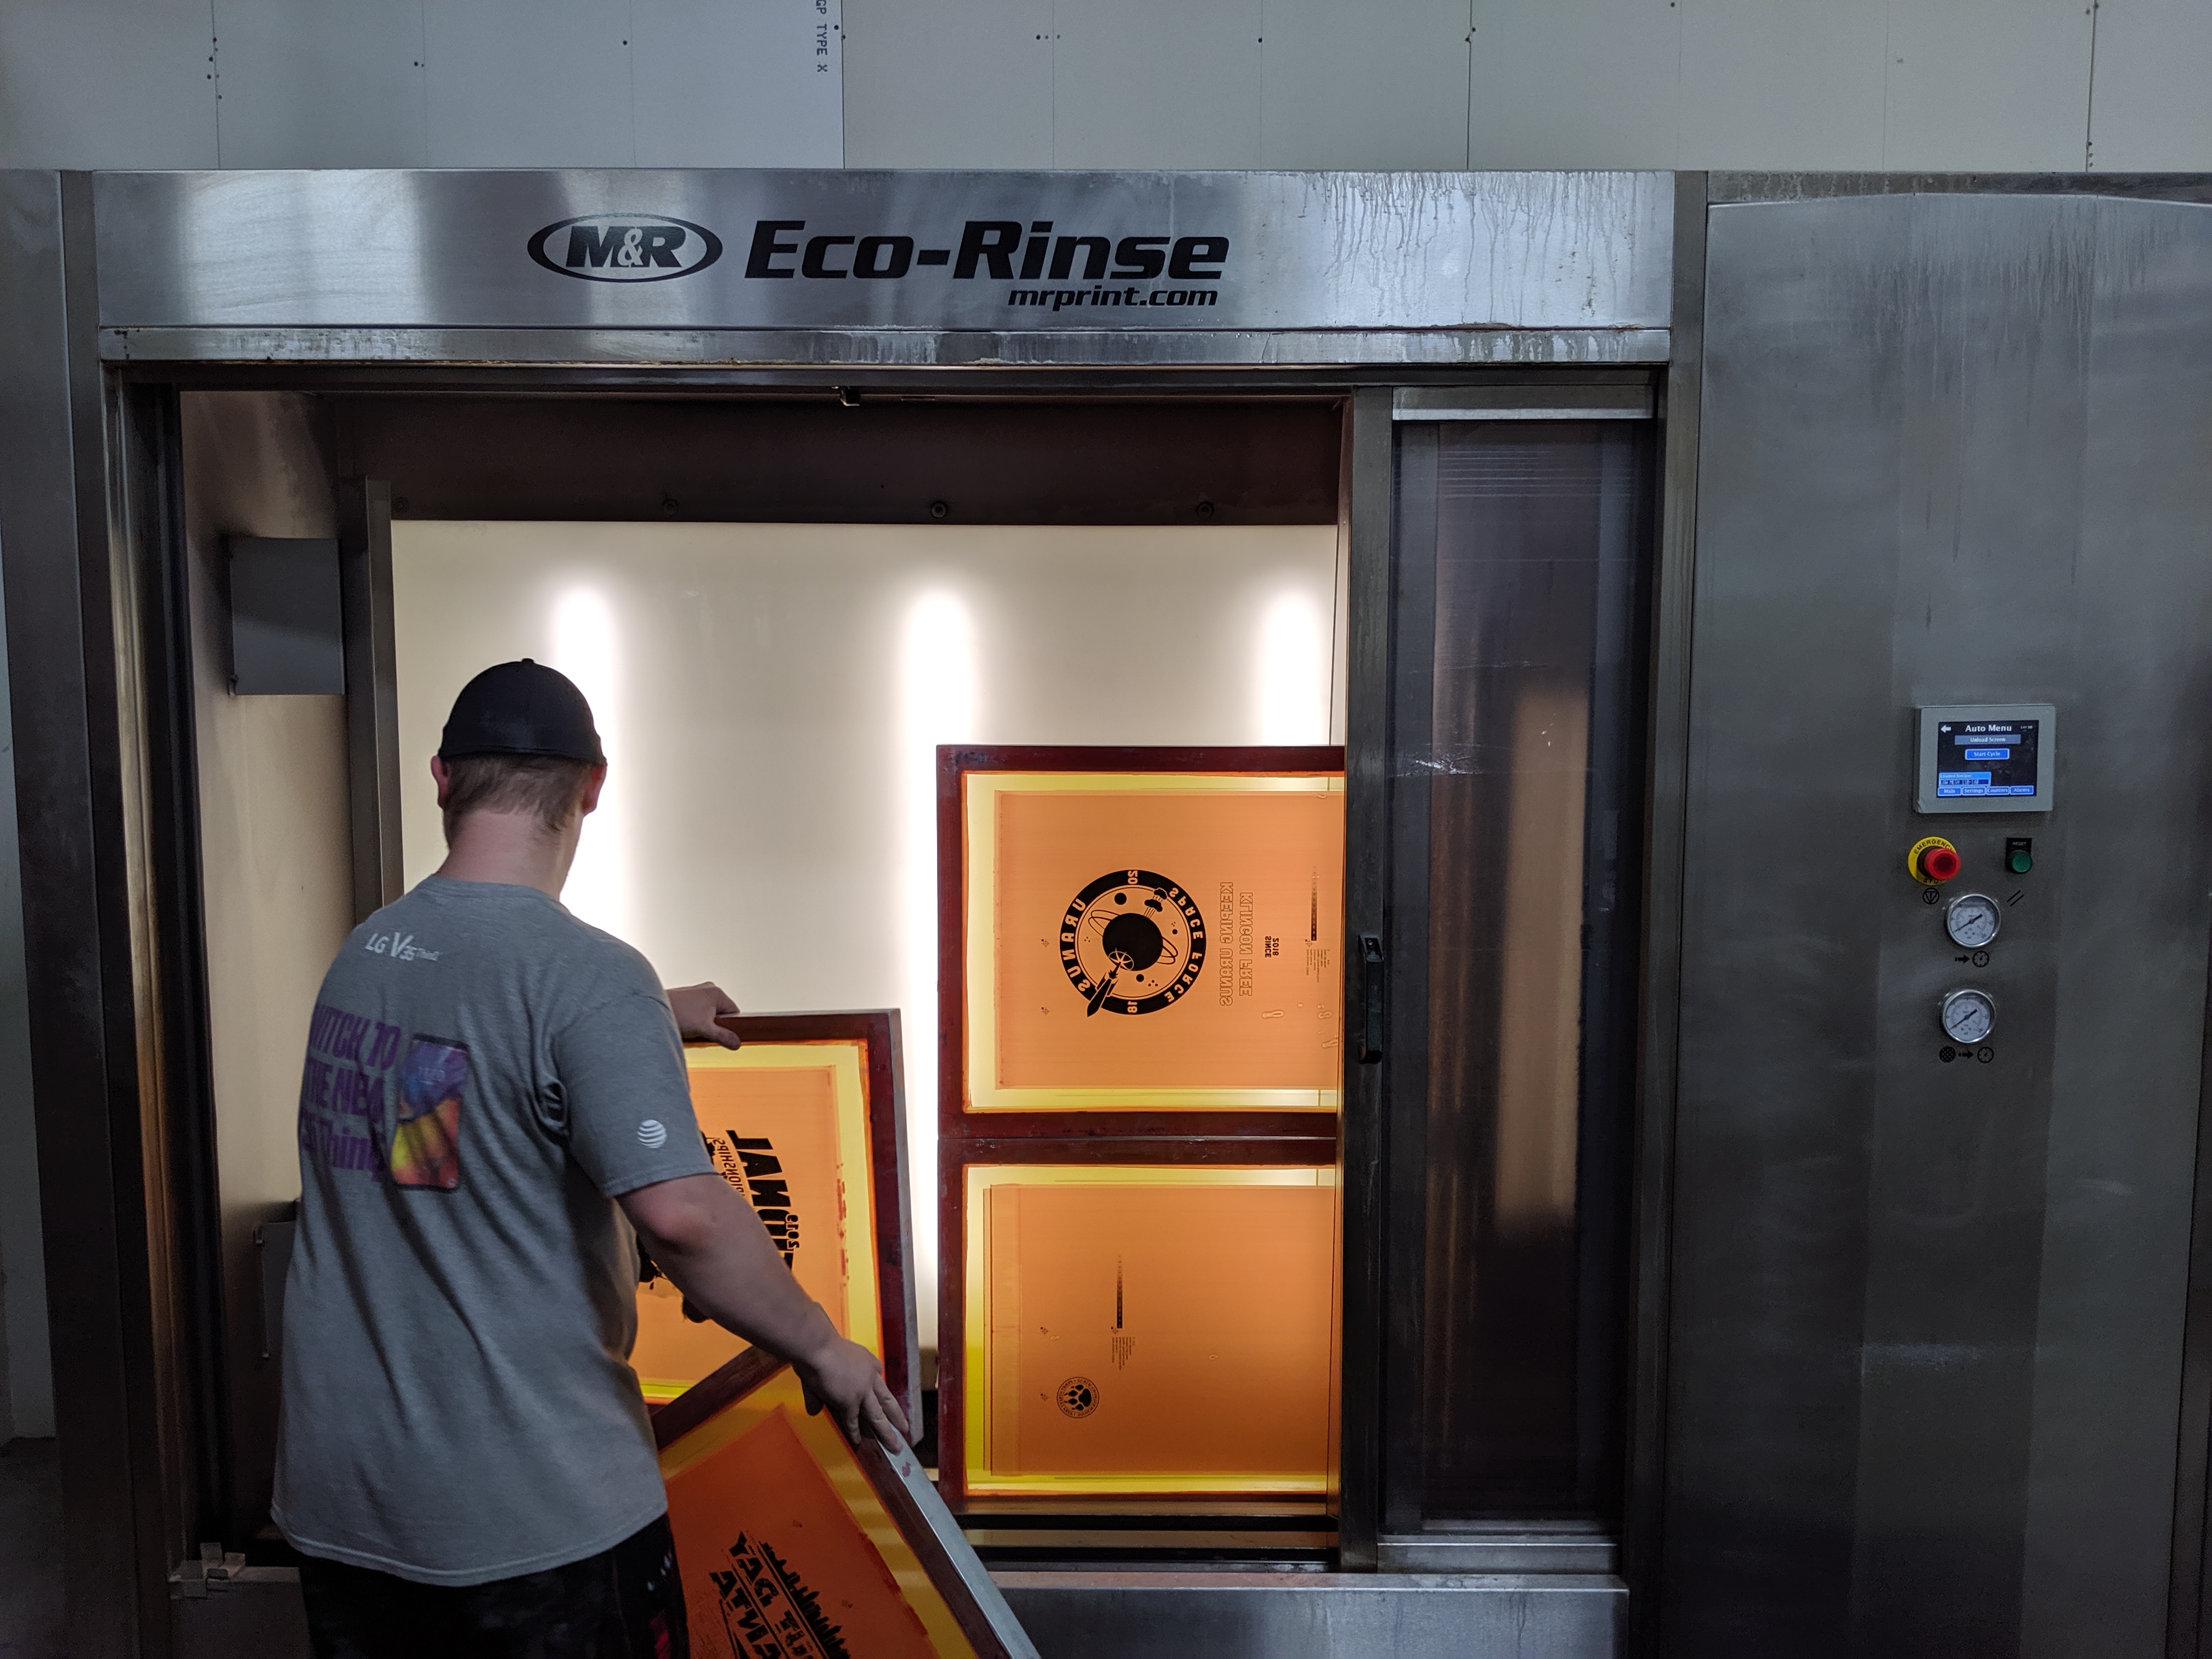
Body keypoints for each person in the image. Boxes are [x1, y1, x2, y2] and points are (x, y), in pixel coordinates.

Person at [273, 659, 907, 1658]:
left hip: (354, 1511)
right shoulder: (588, 981)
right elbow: (683, 1219)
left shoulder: (371, 955)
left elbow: (444, 1118)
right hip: (531, 1526)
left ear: (442, 778)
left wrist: (645, 1018)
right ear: (593, 787)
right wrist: (825, 1349)